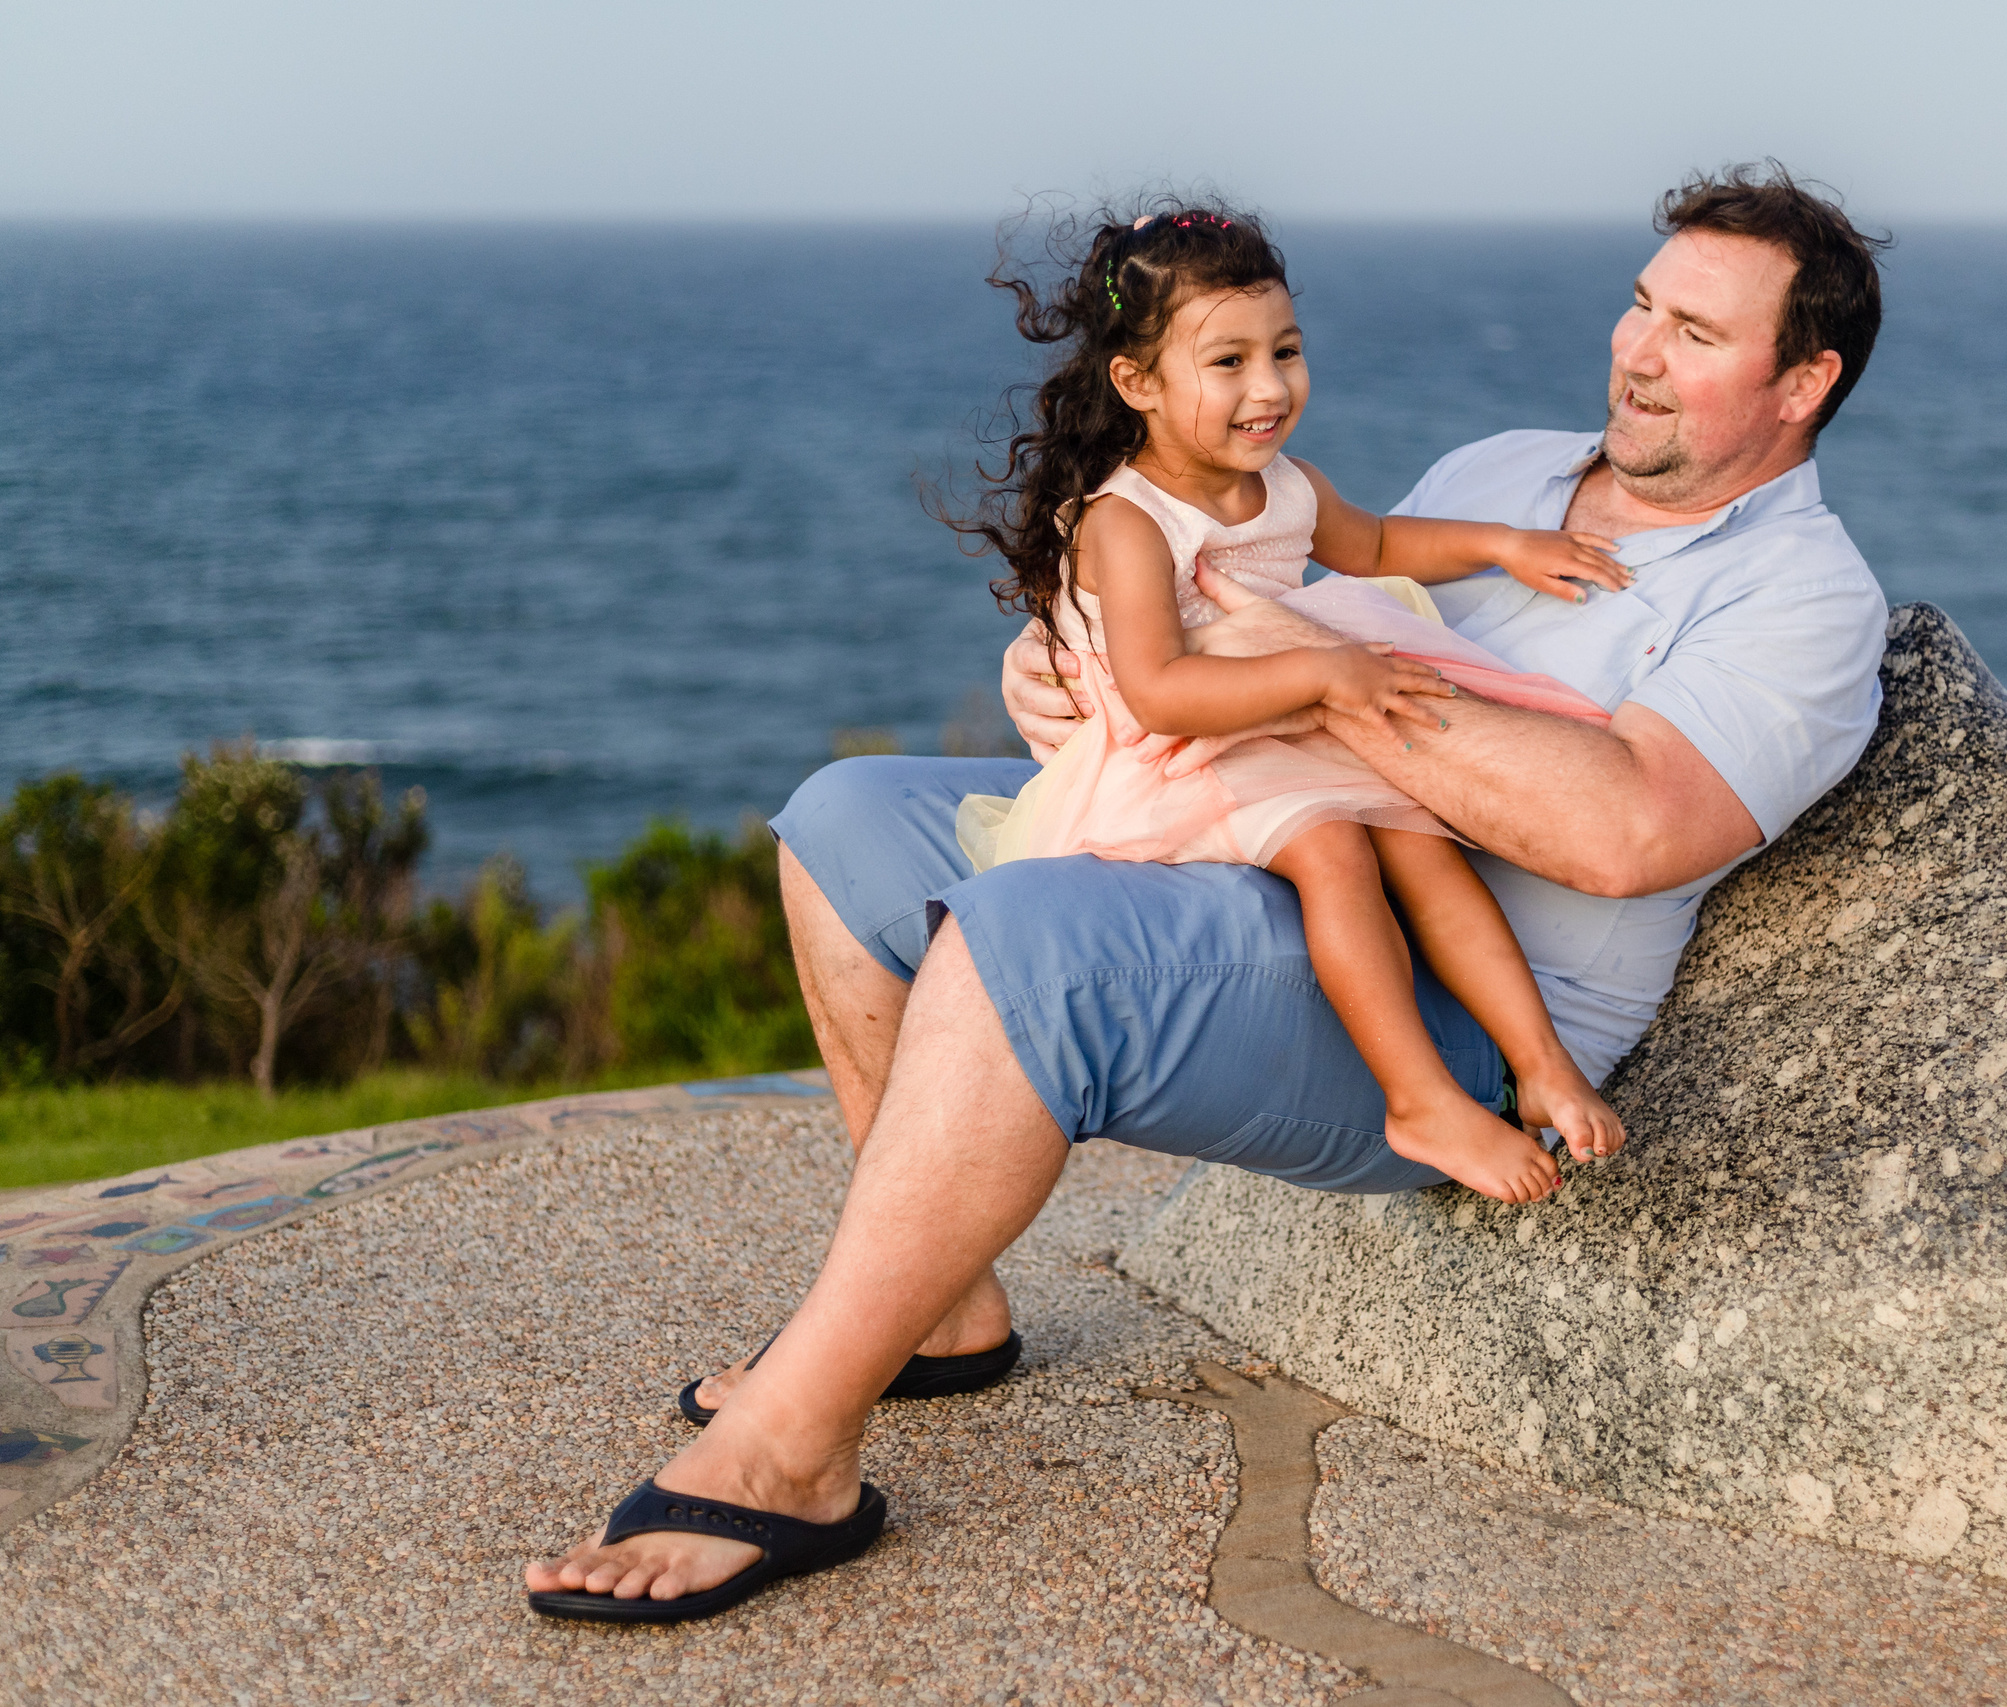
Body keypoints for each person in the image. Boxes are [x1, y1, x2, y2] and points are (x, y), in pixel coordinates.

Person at [525, 161, 1891, 1621]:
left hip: (1459, 1002)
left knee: (1027, 943)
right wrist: (1088, 675)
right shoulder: (1508, 470)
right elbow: (1272, 600)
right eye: (1641, 305)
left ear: (1803, 380)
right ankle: (945, 1310)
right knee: (845, 818)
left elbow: (1626, 827)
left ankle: (790, 1446)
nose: (1636, 350)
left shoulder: (1806, 599)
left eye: (1696, 331)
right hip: (1269, 837)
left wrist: (1306, 684)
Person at [952, 203, 1628, 1205]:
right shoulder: (1127, 523)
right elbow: (1160, 693)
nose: (1269, 388)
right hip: (1187, 748)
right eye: (1226, 363)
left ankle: (1540, 1061)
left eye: (1285, 350)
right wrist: (1320, 675)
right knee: (1334, 848)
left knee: (1423, 848)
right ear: (1135, 382)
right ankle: (1418, 1098)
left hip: (1287, 709)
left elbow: (1379, 547)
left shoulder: (1283, 484)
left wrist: (1502, 543)